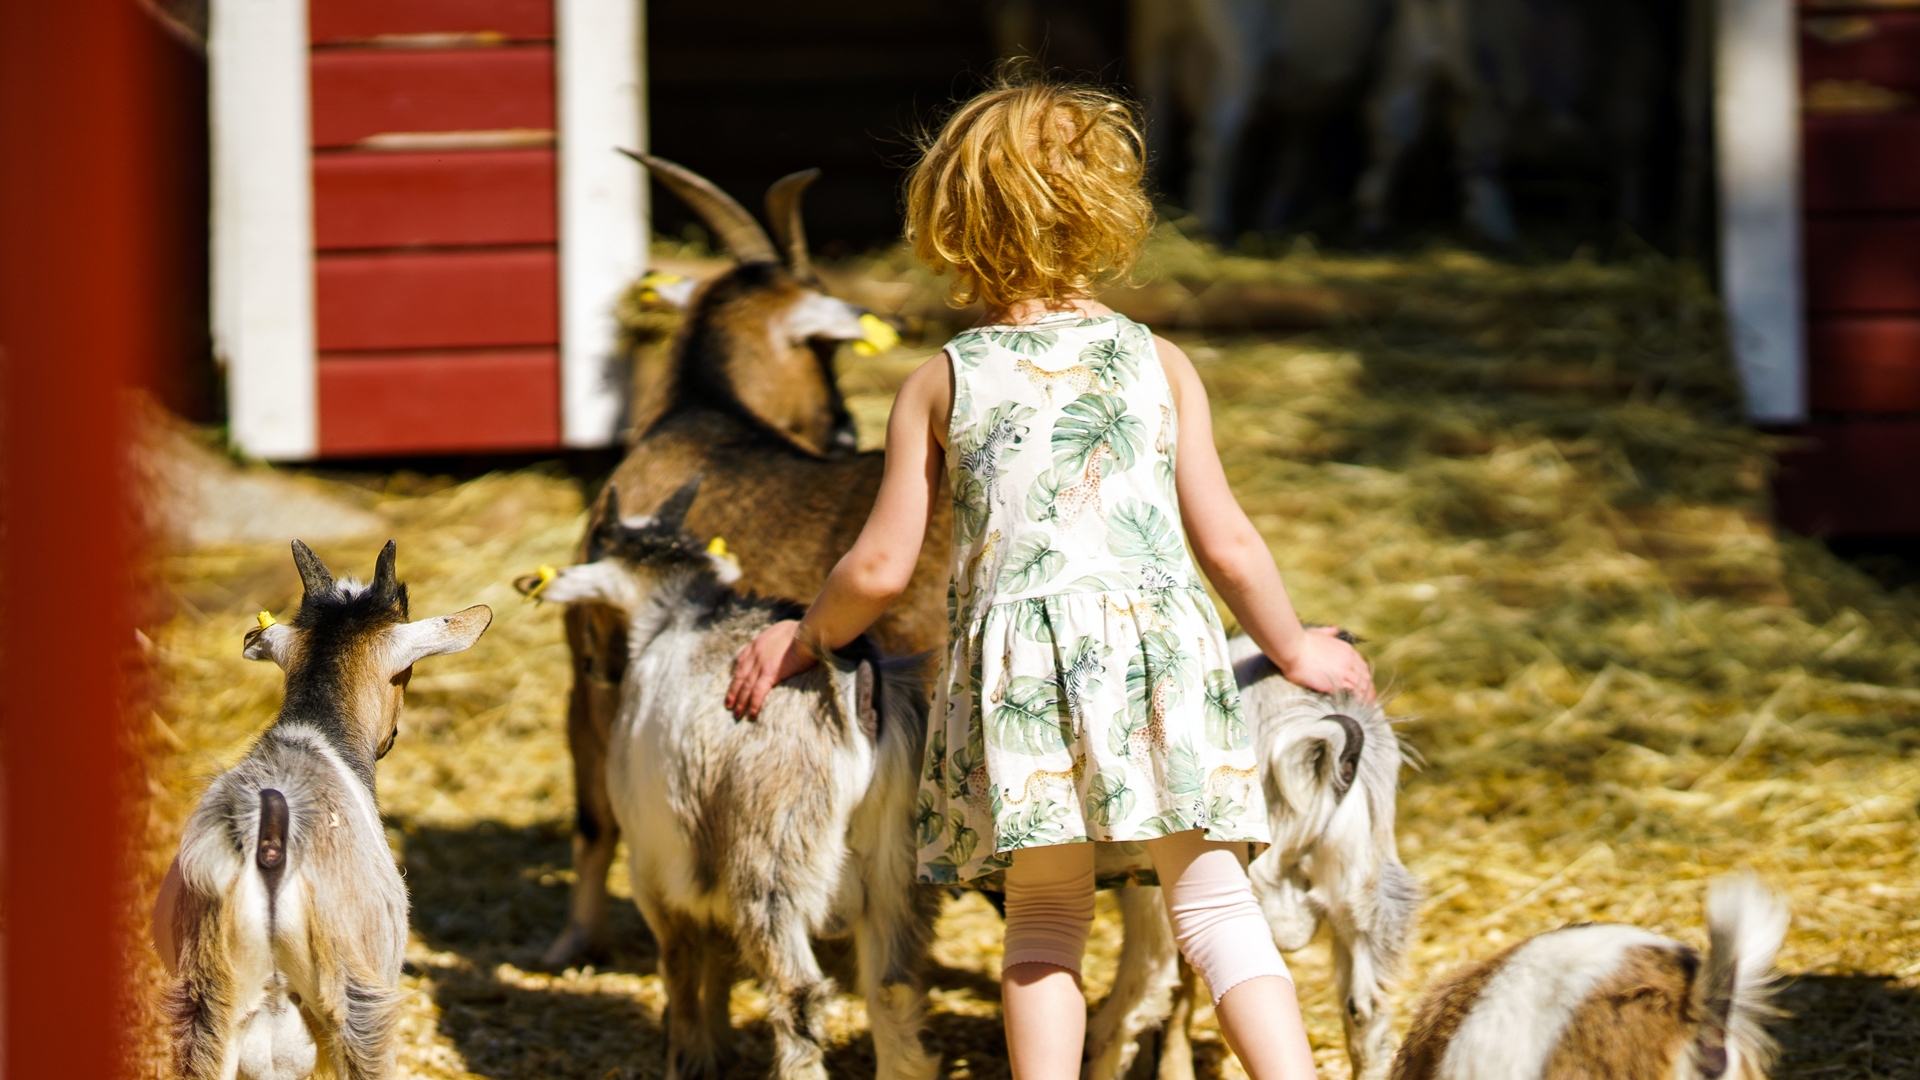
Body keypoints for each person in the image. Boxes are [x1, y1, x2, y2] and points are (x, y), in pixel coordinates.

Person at [728, 75, 1373, 1080]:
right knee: (1213, 908)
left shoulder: (943, 380)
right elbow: (1230, 543)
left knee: (1041, 927)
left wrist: (803, 636)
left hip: (1018, 680)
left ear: (948, 224)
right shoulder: (1156, 363)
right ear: (1107, 213)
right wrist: (1295, 648)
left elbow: (884, 564)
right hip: (1161, 660)